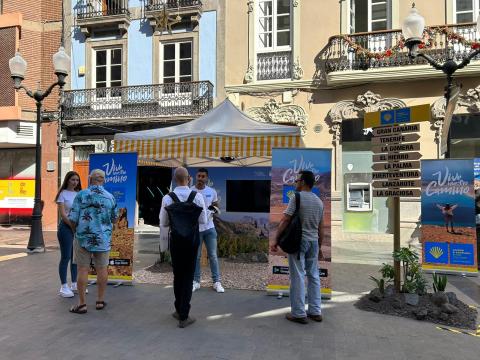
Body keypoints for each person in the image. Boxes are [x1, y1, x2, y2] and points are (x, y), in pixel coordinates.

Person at [270, 170, 324, 324]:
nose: (295, 183)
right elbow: (321, 229)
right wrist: (319, 248)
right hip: (313, 242)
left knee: (298, 276)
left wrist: (275, 240)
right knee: (313, 275)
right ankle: (315, 311)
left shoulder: (297, 197)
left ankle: (299, 313)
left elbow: (285, 220)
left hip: (299, 242)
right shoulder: (319, 201)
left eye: (297, 180)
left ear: (304, 182)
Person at [159, 167, 207, 328]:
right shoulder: (197, 197)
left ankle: (178, 309)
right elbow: (203, 221)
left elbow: (164, 222)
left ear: (174, 179)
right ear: (189, 179)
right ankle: (184, 316)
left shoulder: (167, 198)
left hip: (176, 241)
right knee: (188, 276)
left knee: (177, 275)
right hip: (192, 241)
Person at [68, 169, 118, 314]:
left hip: (83, 238)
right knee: (102, 269)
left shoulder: (81, 195)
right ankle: (100, 301)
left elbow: (72, 218)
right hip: (102, 239)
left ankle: (82, 304)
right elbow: (115, 219)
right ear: (104, 180)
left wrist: (76, 231)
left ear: (90, 179)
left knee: (82, 269)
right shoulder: (110, 197)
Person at [191, 168, 224, 293]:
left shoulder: (212, 191)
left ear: (207, 178)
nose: (200, 178)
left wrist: (213, 211)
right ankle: (196, 282)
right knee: (196, 257)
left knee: (213, 256)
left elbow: (216, 205)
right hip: (196, 230)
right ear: (196, 177)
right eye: (198, 176)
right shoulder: (191, 191)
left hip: (210, 228)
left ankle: (216, 282)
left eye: (203, 176)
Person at [55, 171, 82, 298]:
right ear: (67, 180)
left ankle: (75, 284)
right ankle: (64, 286)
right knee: (66, 257)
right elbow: (63, 214)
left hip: (77, 228)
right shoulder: (62, 194)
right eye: (73, 180)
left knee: (75, 258)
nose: (75, 182)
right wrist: (71, 226)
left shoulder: (79, 194)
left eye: (77, 180)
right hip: (65, 228)